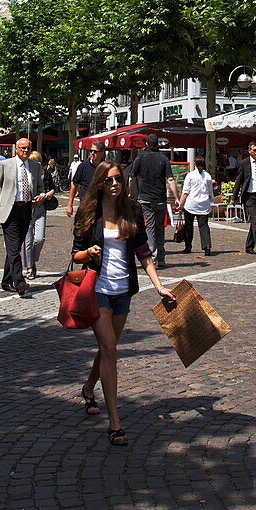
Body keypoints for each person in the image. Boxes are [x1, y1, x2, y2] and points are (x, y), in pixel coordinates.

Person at [72, 161, 175, 446]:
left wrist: (159, 287)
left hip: (123, 290)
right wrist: (89, 252)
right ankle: (115, 422)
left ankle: (89, 388)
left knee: (108, 348)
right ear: (99, 184)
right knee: (110, 348)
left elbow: (144, 253)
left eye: (118, 179)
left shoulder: (132, 210)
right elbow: (75, 254)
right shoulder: (88, 212)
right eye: (109, 180)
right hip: (97, 289)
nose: (115, 184)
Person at [0, 139, 45, 295]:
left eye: (28, 148)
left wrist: (40, 196)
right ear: (16, 149)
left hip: (26, 209)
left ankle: (6, 281)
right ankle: (19, 281)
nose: (25, 151)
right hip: (9, 210)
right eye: (22, 148)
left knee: (15, 247)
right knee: (13, 246)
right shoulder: (6, 165)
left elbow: (40, 187)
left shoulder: (35, 166)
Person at [125, 135, 178, 269]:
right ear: (157, 144)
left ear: (147, 143)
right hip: (160, 199)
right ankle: (161, 258)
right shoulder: (163, 159)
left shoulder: (140, 158)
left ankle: (152, 258)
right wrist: (176, 197)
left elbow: (131, 178)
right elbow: (170, 179)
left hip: (145, 199)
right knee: (160, 228)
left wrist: (131, 194)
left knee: (149, 229)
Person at [21, 151, 56, 279]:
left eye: (38, 161)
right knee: (28, 240)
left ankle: (33, 261)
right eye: (33, 161)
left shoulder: (45, 173)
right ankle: (29, 267)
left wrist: (48, 194)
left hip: (41, 208)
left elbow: (52, 188)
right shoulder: (27, 173)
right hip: (28, 209)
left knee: (40, 239)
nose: (36, 163)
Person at [179, 155, 214, 255]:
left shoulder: (190, 175)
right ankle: (207, 246)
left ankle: (188, 246)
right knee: (203, 226)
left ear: (194, 164)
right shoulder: (207, 176)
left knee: (189, 226)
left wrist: (181, 204)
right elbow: (210, 192)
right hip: (203, 205)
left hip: (191, 204)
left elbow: (185, 192)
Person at [66, 144, 106, 217]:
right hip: (85, 204)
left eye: (95, 151)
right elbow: (74, 185)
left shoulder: (106, 167)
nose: (92, 153)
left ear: (102, 153)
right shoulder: (83, 166)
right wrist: (69, 205)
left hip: (102, 205)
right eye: (91, 151)